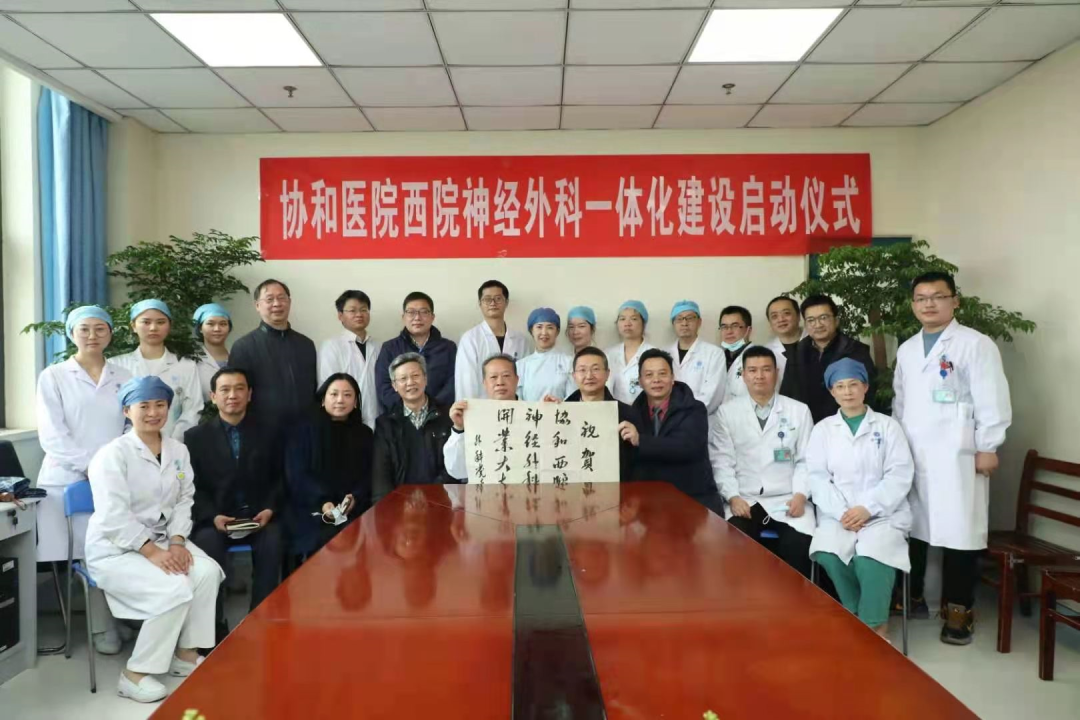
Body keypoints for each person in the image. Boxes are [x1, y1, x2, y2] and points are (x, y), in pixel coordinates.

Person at [85, 376, 223, 703]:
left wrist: (177, 542)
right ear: (127, 411)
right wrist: (151, 552)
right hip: (116, 548)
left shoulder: (178, 450)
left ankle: (185, 656)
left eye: (160, 405)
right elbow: (113, 515)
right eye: (143, 406)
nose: (153, 412)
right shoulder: (112, 455)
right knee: (174, 588)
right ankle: (134, 674)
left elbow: (184, 499)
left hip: (163, 539)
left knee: (207, 572)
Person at [893, 271, 1011, 645]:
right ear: (913, 304)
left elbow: (992, 397)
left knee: (961, 531)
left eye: (937, 296)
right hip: (915, 452)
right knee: (914, 526)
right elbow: (900, 401)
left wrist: (988, 446)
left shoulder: (975, 344)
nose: (928, 304)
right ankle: (912, 598)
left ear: (954, 301)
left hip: (959, 454)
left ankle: (959, 611)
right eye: (921, 298)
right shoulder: (907, 349)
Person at [36, 305, 133, 654]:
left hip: (115, 477)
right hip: (66, 479)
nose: (92, 335)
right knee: (88, 554)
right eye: (84, 329)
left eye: (100, 328)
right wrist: (95, 467)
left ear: (111, 333)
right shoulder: (53, 376)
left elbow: (132, 423)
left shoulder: (124, 375)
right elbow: (52, 435)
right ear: (71, 334)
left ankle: (115, 619)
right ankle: (102, 627)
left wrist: (114, 464)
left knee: (115, 549)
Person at [808, 359, 915, 641]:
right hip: (838, 515)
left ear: (865, 387)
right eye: (840, 386)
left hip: (882, 514)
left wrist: (868, 508)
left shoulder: (888, 427)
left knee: (870, 558)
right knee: (830, 553)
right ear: (832, 392)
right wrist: (843, 513)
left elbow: (900, 473)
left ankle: (873, 628)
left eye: (853, 384)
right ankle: (864, 622)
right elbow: (817, 478)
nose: (847, 392)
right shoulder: (822, 430)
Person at [184, 367, 283, 636]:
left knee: (274, 541)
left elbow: (280, 477)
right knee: (207, 547)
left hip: (259, 516)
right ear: (213, 396)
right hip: (216, 518)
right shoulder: (195, 438)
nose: (232, 395)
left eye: (239, 389)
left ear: (249, 394)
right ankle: (213, 626)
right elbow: (192, 487)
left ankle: (260, 618)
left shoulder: (270, 432)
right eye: (225, 390)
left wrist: (269, 509)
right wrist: (213, 516)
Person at [711, 346, 815, 576]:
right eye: (753, 370)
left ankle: (792, 597)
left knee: (797, 546)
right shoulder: (727, 413)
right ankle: (748, 597)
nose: (759, 376)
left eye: (766, 369)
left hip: (788, 498)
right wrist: (732, 496)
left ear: (776, 373)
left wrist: (800, 495)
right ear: (743, 374)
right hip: (745, 499)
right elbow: (721, 461)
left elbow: (806, 460)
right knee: (735, 542)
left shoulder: (799, 411)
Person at [618, 349, 721, 513]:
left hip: (692, 500)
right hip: (650, 503)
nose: (656, 380)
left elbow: (686, 447)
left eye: (662, 374)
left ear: (673, 378)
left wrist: (641, 440)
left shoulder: (694, 409)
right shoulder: (633, 413)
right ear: (640, 381)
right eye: (649, 375)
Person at [285, 373, 375, 558]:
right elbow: (297, 475)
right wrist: (323, 502)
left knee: (359, 534)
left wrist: (355, 497)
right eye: (334, 394)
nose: (340, 400)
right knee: (325, 536)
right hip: (311, 507)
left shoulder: (364, 434)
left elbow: (369, 474)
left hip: (353, 508)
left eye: (347, 395)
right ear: (323, 399)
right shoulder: (303, 432)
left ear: (355, 402)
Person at [229, 279, 317, 433]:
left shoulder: (306, 344)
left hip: (304, 432)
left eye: (281, 298)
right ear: (257, 305)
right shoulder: (243, 347)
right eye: (269, 299)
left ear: (289, 302)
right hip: (261, 432)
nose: (276, 304)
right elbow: (237, 394)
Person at [372, 353, 457, 504]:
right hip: (399, 506)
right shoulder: (385, 424)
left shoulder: (448, 417)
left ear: (425, 379)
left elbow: (453, 467)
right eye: (403, 379)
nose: (410, 382)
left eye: (415, 376)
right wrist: (390, 508)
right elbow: (381, 477)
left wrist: (430, 498)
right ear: (394, 386)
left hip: (442, 502)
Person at [113, 299, 203, 441]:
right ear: (133, 326)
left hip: (175, 444)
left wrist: (173, 443)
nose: (153, 328)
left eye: (160, 322)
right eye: (146, 322)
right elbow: (112, 411)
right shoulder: (116, 365)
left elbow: (192, 410)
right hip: (128, 445)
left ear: (169, 326)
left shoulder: (186, 366)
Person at [795, 294, 877, 423]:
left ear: (836, 320)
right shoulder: (799, 350)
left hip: (845, 423)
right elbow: (792, 390)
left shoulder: (854, 350)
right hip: (806, 423)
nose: (818, 324)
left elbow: (868, 392)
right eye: (811, 320)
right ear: (805, 324)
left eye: (823, 318)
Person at [374, 291, 457, 410]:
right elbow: (384, 386)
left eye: (424, 312)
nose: (417, 317)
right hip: (400, 416)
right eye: (411, 312)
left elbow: (452, 384)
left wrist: (430, 409)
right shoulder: (389, 348)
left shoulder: (448, 348)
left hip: (440, 414)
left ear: (432, 317)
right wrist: (409, 408)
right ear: (403, 317)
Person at [443, 354, 519, 480]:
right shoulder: (471, 416)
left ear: (517, 380)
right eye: (493, 377)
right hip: (484, 490)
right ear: (484, 383)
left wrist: (551, 415)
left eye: (506, 376)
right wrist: (459, 429)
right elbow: (457, 471)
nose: (500, 382)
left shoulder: (534, 416)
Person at [565, 346, 636, 482]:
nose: (589, 376)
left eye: (596, 369)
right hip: (572, 489)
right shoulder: (562, 414)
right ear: (574, 376)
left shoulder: (627, 413)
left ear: (607, 374)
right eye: (582, 370)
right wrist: (548, 412)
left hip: (616, 489)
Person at [318, 290, 383, 430]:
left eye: (364, 310)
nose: (359, 314)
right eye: (352, 310)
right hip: (343, 423)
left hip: (378, 420)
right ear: (340, 315)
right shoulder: (331, 346)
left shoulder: (379, 347)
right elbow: (328, 387)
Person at [456, 280, 530, 399]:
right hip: (482, 407)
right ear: (480, 304)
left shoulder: (520, 340)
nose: (493, 303)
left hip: (515, 407)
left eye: (498, 298)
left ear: (506, 302)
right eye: (487, 299)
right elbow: (466, 382)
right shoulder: (470, 339)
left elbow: (525, 380)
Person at [667, 300, 726, 415]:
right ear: (673, 323)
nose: (684, 323)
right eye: (679, 319)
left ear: (699, 322)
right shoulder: (664, 353)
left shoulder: (714, 354)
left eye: (690, 318)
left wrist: (685, 415)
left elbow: (713, 395)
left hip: (700, 418)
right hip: (669, 418)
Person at [516, 307, 574, 401]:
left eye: (550, 327)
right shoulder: (521, 366)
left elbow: (573, 399)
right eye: (539, 327)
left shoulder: (569, 362)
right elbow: (517, 401)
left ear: (557, 332)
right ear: (531, 331)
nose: (544, 333)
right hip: (530, 411)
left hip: (560, 410)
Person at [605, 300, 655, 405]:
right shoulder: (608, 354)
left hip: (645, 411)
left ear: (643, 324)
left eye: (634, 319)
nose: (627, 324)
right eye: (622, 319)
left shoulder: (654, 354)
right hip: (614, 411)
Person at [764, 296, 803, 399]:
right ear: (770, 323)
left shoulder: (816, 342)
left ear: (798, 316)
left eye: (786, 313)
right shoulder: (766, 352)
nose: (781, 319)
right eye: (774, 316)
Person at [192, 303, 232, 403]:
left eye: (223, 324)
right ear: (200, 328)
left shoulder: (238, 357)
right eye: (210, 324)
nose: (217, 329)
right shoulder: (191, 361)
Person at [718, 305, 754, 404]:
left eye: (735, 326)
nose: (729, 331)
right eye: (724, 327)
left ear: (748, 330)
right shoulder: (718, 357)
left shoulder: (759, 358)